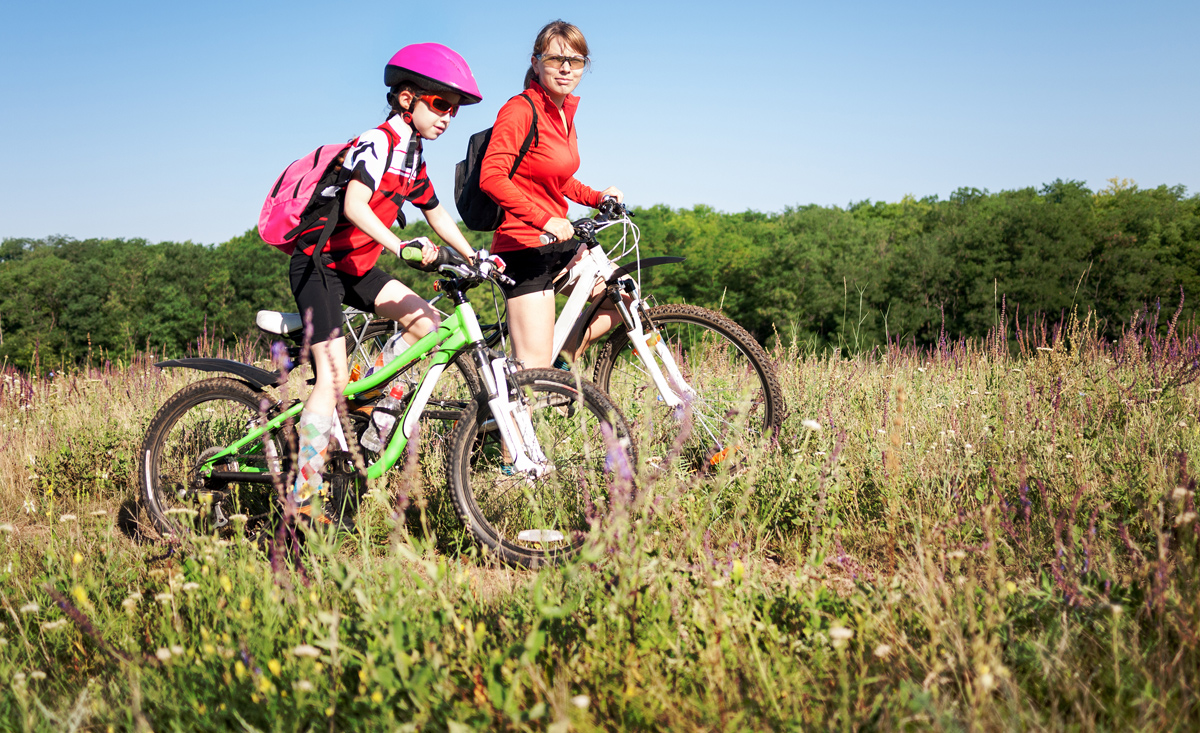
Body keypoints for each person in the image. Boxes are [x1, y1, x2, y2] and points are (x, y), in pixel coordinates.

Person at [288, 43, 485, 515]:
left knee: (430, 327)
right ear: (406, 99)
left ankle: (369, 409)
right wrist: (401, 246)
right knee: (331, 380)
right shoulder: (379, 143)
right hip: (319, 266)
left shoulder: (413, 158)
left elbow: (436, 214)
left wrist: (476, 255)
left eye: (453, 111)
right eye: (440, 105)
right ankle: (303, 500)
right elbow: (355, 205)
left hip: (357, 268)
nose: (447, 117)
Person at [479, 20, 623, 370]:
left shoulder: (563, 113)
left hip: (560, 241)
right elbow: (491, 177)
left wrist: (596, 196)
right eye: (556, 58)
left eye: (574, 60)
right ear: (535, 62)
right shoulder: (520, 109)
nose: (565, 68)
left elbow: (557, 178)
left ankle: (563, 360)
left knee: (624, 297)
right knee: (530, 373)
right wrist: (545, 219)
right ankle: (489, 421)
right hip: (524, 246)